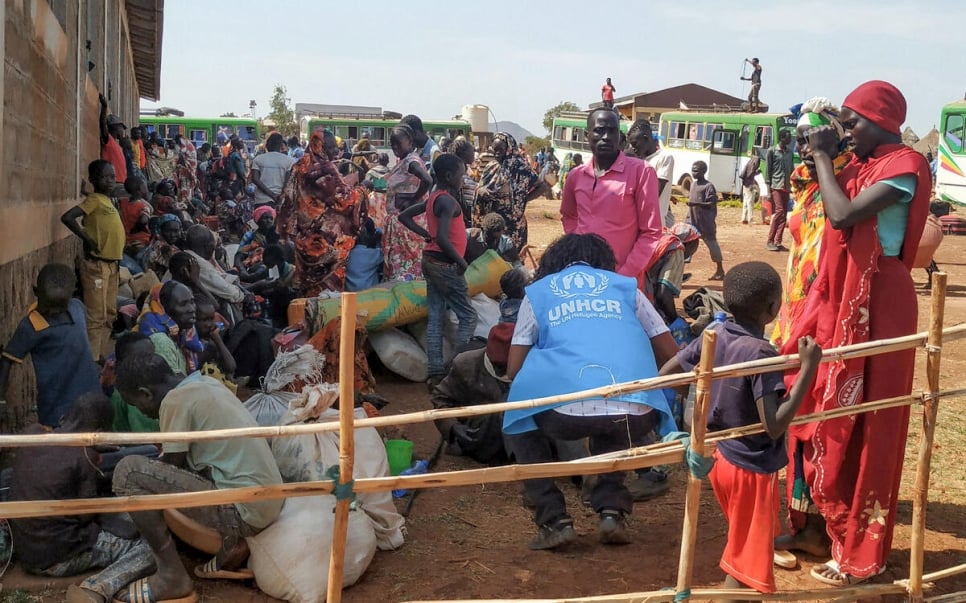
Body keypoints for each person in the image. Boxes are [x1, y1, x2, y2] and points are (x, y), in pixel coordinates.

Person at [777, 81, 931, 586]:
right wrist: (817, 147)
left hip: (881, 302)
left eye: (854, 121)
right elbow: (813, 199)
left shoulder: (905, 167)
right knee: (835, 409)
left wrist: (825, 156)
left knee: (873, 425)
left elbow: (843, 215)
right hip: (843, 299)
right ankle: (830, 531)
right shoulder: (861, 165)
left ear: (882, 122)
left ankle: (862, 552)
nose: (847, 131)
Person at [502, 233, 678, 550]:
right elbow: (672, 352)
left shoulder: (538, 293)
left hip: (563, 414)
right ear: (603, 263)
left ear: (554, 264)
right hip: (636, 411)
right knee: (614, 415)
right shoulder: (628, 288)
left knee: (519, 416)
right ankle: (612, 511)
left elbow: (514, 369)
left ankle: (553, 519)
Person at [659, 262, 822, 595]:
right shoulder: (761, 353)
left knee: (744, 544)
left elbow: (668, 373)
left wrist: (706, 403)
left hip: (721, 461)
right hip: (751, 466)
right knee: (746, 565)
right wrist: (808, 369)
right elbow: (774, 425)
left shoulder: (714, 334)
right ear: (773, 308)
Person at [111, 352, 284, 603]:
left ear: (145, 393)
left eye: (138, 405)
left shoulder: (174, 401)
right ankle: (231, 546)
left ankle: (172, 576)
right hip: (267, 502)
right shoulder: (205, 382)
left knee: (129, 472)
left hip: (244, 511)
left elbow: (172, 466)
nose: (144, 412)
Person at [8, 392, 155, 603]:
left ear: (63, 418)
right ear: (99, 433)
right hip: (58, 559)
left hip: (27, 553)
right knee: (150, 548)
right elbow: (87, 516)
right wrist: (92, 463)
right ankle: (96, 587)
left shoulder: (32, 435)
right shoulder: (82, 457)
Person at [771, 98, 852, 349]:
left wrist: (823, 159)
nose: (804, 149)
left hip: (827, 297)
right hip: (796, 293)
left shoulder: (848, 181)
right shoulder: (804, 183)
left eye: (812, 141)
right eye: (801, 140)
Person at [399, 153, 477, 388]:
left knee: (436, 317)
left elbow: (405, 216)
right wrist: (462, 263)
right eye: (462, 175)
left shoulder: (435, 198)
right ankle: (455, 369)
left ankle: (435, 371)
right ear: (449, 176)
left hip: (430, 262)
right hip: (445, 265)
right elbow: (443, 238)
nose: (464, 179)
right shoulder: (448, 202)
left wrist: (426, 235)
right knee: (468, 316)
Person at [561, 109, 662, 290]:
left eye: (612, 131)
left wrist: (623, 275)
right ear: (587, 135)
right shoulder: (575, 176)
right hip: (583, 277)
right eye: (599, 130)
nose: (606, 137)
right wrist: (577, 248)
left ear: (619, 135)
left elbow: (651, 232)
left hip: (622, 282)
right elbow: (568, 216)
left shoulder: (641, 172)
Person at [0, 264, 101, 428]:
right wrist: (1, 399)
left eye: (60, 307)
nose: (54, 312)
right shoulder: (31, 326)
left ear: (71, 295)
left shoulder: (77, 308)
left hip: (91, 399)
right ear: (36, 292)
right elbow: (6, 360)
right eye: (49, 306)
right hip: (56, 408)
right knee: (59, 447)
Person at [61, 160, 125, 360]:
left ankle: (99, 354)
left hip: (112, 265)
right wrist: (86, 239)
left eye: (112, 177)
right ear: (93, 180)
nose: (110, 181)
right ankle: (91, 360)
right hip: (97, 265)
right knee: (96, 316)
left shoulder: (104, 200)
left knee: (110, 313)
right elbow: (68, 217)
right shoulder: (96, 200)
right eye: (105, 177)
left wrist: (85, 193)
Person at [476, 132, 547, 253]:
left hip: (514, 224)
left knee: (512, 258)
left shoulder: (521, 168)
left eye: (501, 149)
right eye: (495, 149)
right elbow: (479, 187)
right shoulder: (491, 167)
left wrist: (524, 199)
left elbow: (542, 186)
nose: (497, 153)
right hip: (493, 223)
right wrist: (481, 191)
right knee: (492, 258)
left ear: (509, 149)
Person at [382, 124, 433, 282]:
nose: (395, 147)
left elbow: (427, 179)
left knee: (406, 270)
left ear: (410, 143)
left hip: (407, 226)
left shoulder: (411, 161)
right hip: (402, 225)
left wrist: (413, 200)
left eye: (399, 143)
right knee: (403, 268)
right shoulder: (403, 160)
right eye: (392, 144)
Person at [644, 226, 700, 324]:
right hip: (648, 299)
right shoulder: (677, 250)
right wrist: (675, 318)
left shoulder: (662, 239)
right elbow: (663, 292)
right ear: (690, 243)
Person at [628, 119, 675, 227]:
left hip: (653, 224)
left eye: (635, 144)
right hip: (635, 222)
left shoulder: (664, 158)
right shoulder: (639, 160)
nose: (633, 149)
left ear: (646, 139)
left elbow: (655, 192)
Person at [687, 161, 725, 280]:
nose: (693, 173)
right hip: (693, 221)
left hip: (706, 223)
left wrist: (696, 204)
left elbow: (711, 203)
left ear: (703, 171)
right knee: (686, 245)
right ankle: (679, 271)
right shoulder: (693, 184)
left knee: (712, 245)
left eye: (696, 171)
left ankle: (720, 270)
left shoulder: (708, 186)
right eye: (692, 170)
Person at [761, 129, 794, 251]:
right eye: (788, 137)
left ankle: (778, 242)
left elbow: (791, 169)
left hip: (786, 186)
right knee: (779, 212)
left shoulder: (790, 152)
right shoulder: (772, 151)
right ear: (782, 138)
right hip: (776, 185)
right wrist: (768, 190)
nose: (790, 139)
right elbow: (768, 171)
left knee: (784, 215)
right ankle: (770, 241)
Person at [234, 205, 280, 280]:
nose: (268, 221)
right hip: (250, 266)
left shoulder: (277, 236)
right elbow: (239, 256)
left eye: (271, 218)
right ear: (258, 220)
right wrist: (242, 271)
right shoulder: (250, 235)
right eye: (265, 218)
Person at [251, 132, 295, 208]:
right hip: (281, 201)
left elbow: (255, 179)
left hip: (261, 201)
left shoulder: (258, 159)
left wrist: (271, 194)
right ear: (281, 145)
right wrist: (279, 196)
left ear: (267, 145)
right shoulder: (289, 161)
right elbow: (288, 182)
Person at [99, 94, 128, 186]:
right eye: (121, 128)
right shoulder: (109, 141)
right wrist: (104, 107)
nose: (123, 131)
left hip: (120, 183)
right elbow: (103, 123)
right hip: (114, 184)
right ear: (115, 127)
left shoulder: (116, 144)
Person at [120, 176, 153, 252]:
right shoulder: (143, 206)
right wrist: (136, 228)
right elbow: (143, 220)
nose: (147, 188)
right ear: (139, 191)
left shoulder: (123, 202)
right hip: (141, 240)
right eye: (145, 186)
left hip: (126, 239)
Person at [452, 137, 478, 227]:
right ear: (464, 154)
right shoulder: (458, 171)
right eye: (472, 151)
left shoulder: (465, 169)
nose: (474, 154)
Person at [363, 152, 391, 229]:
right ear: (388, 161)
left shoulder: (371, 171)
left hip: (374, 197)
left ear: (378, 160)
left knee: (373, 217)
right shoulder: (391, 172)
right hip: (387, 198)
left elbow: (366, 183)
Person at [173, 135, 200, 211]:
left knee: (185, 190)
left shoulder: (184, 146)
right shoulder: (190, 146)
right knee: (188, 191)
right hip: (189, 172)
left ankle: (184, 207)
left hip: (186, 173)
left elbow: (180, 157)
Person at [739, 156, 761, 225]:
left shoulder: (749, 164)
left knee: (745, 203)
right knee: (750, 203)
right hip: (749, 186)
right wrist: (752, 185)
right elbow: (750, 174)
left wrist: (756, 172)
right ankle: (750, 219)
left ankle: (743, 218)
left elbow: (746, 174)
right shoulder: (752, 165)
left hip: (745, 185)